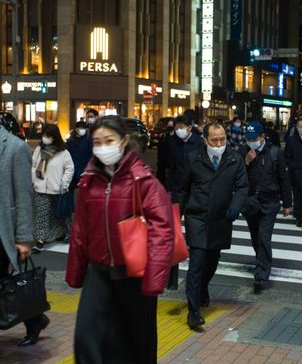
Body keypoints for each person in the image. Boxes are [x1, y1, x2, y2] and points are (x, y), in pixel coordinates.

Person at [66, 115, 174, 364]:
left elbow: (162, 231)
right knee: (87, 338)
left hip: (134, 274)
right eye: (97, 142)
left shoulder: (144, 180)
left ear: (124, 140)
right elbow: (80, 229)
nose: (103, 147)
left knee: (137, 344)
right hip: (99, 273)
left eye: (109, 140)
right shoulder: (88, 181)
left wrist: (154, 279)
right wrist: (76, 273)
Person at [177, 122, 248, 329]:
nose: (219, 143)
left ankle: (203, 289)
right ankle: (193, 312)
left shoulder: (235, 159)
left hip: (221, 218)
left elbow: (242, 187)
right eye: (214, 140)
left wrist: (235, 207)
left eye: (222, 139)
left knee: (212, 261)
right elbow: (181, 189)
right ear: (205, 140)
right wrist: (176, 216)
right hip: (196, 217)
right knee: (197, 262)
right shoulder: (193, 159)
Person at [0, 120, 50, 346]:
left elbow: (23, 197)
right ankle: (36, 319)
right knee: (7, 284)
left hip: (3, 232)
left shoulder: (14, 147)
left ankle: (35, 318)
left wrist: (24, 238)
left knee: (10, 283)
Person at [241, 121, 291, 293]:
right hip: (250, 203)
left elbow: (284, 178)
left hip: (270, 202)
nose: (251, 141)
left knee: (263, 236)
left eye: (254, 138)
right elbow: (235, 176)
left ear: (262, 137)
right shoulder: (243, 152)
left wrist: (287, 203)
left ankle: (261, 275)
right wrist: (246, 162)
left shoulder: (275, 152)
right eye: (248, 138)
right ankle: (261, 261)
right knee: (256, 238)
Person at [169, 115, 203, 290]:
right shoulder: (174, 142)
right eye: (177, 127)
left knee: (192, 228)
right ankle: (171, 278)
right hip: (177, 190)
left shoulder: (198, 142)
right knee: (173, 231)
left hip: (193, 191)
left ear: (190, 127)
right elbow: (171, 165)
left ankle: (195, 261)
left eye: (182, 126)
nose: (179, 130)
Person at [32, 124, 74, 252]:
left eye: (49, 136)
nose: (46, 138)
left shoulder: (63, 152)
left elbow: (69, 168)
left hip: (57, 189)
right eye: (44, 135)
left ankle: (62, 233)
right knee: (41, 215)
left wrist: (64, 183)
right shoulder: (39, 150)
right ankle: (40, 240)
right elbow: (33, 165)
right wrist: (34, 180)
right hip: (40, 187)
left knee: (60, 214)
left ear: (55, 137)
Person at [66, 121, 93, 211]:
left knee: (83, 192)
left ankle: (83, 208)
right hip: (72, 170)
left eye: (83, 128)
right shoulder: (71, 140)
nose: (81, 130)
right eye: (79, 128)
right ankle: (71, 209)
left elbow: (91, 156)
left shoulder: (89, 140)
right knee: (70, 191)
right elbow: (67, 155)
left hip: (84, 170)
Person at [156, 118, 176, 190]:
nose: (170, 126)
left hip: (173, 163)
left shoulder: (177, 138)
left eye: (171, 125)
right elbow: (160, 149)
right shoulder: (164, 136)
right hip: (164, 162)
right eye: (168, 125)